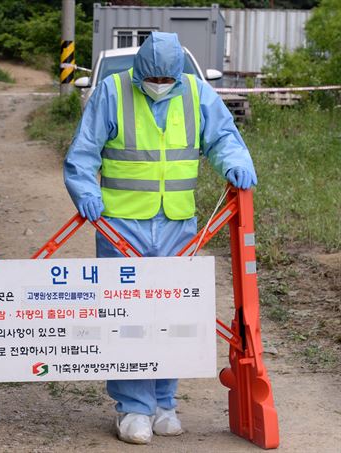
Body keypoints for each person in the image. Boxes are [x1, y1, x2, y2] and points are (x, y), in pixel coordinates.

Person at [63, 32, 257, 445]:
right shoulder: (112, 92)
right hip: (120, 224)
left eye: (167, 79)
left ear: (178, 74)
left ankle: (165, 401)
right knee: (127, 319)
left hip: (177, 225)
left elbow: (222, 137)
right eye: (153, 78)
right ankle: (133, 408)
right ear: (140, 72)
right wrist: (86, 193)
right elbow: (83, 153)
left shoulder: (196, 94)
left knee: (172, 317)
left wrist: (236, 162)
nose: (159, 86)